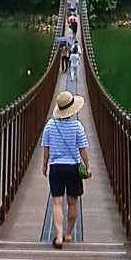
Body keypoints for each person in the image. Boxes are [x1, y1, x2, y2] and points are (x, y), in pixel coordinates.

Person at [40, 89, 89, 247]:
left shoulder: (50, 125)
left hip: (56, 168)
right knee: (72, 203)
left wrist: (44, 165)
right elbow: (83, 150)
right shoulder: (77, 126)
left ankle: (59, 236)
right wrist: (87, 167)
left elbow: (46, 148)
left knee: (57, 202)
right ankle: (68, 233)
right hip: (73, 168)